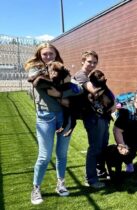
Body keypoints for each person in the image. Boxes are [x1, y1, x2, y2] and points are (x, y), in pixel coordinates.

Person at [25, 43, 83, 205]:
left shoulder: (61, 69)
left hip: (64, 115)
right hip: (45, 117)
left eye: (51, 54)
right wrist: (63, 85)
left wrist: (62, 91)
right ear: (39, 56)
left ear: (56, 55)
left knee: (62, 153)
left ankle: (61, 183)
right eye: (45, 54)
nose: (48, 57)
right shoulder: (35, 70)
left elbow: (78, 88)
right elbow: (42, 84)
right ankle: (36, 188)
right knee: (44, 156)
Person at [73, 51, 115, 189]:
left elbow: (105, 92)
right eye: (89, 61)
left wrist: (113, 102)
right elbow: (93, 90)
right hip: (92, 117)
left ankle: (100, 172)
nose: (92, 64)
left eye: (94, 62)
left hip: (103, 116)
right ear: (83, 61)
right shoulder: (81, 75)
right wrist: (109, 97)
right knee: (95, 147)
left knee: (102, 146)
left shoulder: (92, 76)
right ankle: (90, 179)